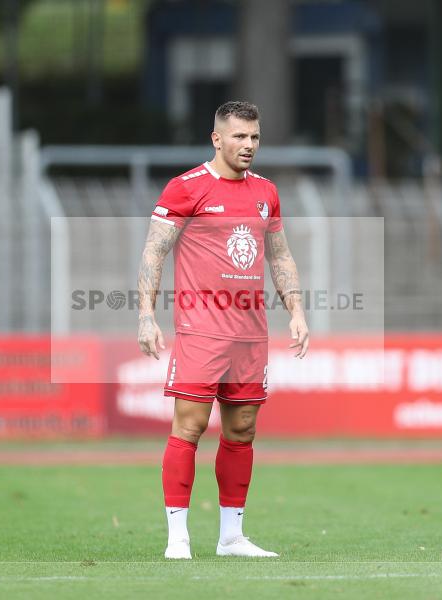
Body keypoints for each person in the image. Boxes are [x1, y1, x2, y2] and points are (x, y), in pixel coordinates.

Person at [137, 101, 309, 559]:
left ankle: (231, 537)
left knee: (242, 429)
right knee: (190, 426)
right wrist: (146, 314)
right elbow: (154, 251)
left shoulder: (266, 192)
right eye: (239, 136)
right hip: (201, 330)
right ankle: (178, 537)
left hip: (249, 334)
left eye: (255, 137)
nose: (248, 145)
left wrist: (296, 310)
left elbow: (280, 254)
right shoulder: (186, 188)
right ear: (217, 139)